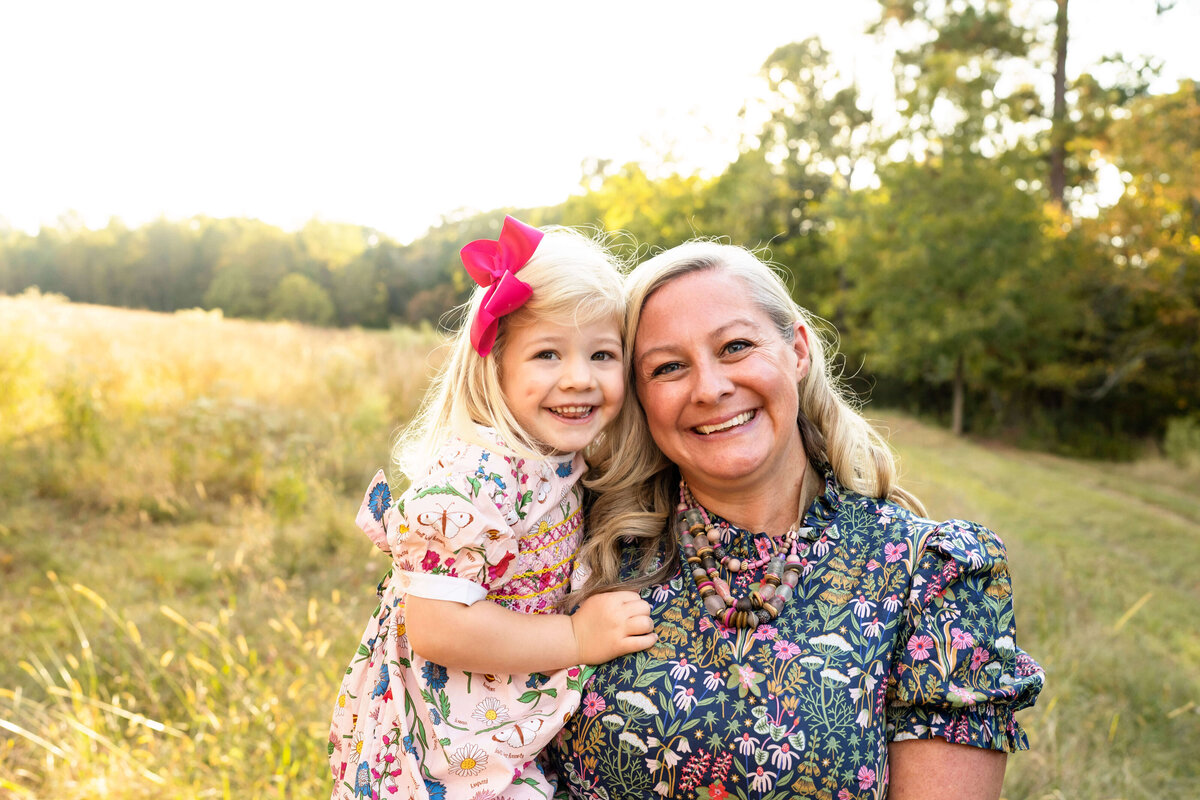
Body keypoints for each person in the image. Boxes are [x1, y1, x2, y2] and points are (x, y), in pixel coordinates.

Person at [546, 241, 1045, 800]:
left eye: (735, 346)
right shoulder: (581, 546)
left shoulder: (928, 578)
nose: (710, 388)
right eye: (668, 367)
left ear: (798, 350)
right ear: (638, 397)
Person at [328, 217, 657, 800]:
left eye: (602, 354)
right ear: (496, 365)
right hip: (445, 750)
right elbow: (439, 627)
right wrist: (577, 639)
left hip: (492, 726)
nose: (579, 378)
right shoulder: (477, 477)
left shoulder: (555, 460)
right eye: (548, 354)